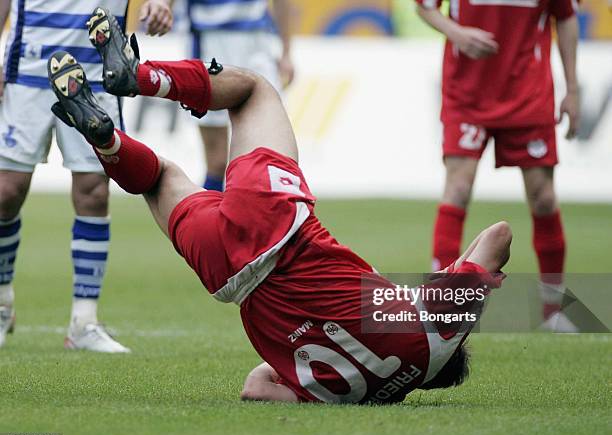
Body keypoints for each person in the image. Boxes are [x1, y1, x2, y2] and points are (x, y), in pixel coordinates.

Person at [47, 8, 511, 403]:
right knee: (159, 179)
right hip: (229, 272)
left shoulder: (430, 332)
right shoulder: (336, 393)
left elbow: (499, 236)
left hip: (281, 225)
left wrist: (463, 288)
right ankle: (107, 141)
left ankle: (141, 75)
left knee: (254, 90)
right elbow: (255, 388)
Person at [0, 0, 175, 351]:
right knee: (6, 191)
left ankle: (84, 321)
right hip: (27, 63)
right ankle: (2, 302)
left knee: (94, 192)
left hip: (96, 67)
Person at [414, 0, 580, 331]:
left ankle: (553, 307)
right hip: (467, 93)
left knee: (543, 196)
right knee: (458, 188)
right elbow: (424, 6)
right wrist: (455, 32)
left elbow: (566, 18)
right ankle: (439, 304)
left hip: (529, 93)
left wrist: (572, 88)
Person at [187, 0, 294, 191]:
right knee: (217, 162)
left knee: (269, 155)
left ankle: (264, 219)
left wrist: (286, 52)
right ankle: (212, 220)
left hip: (256, 42)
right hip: (208, 40)